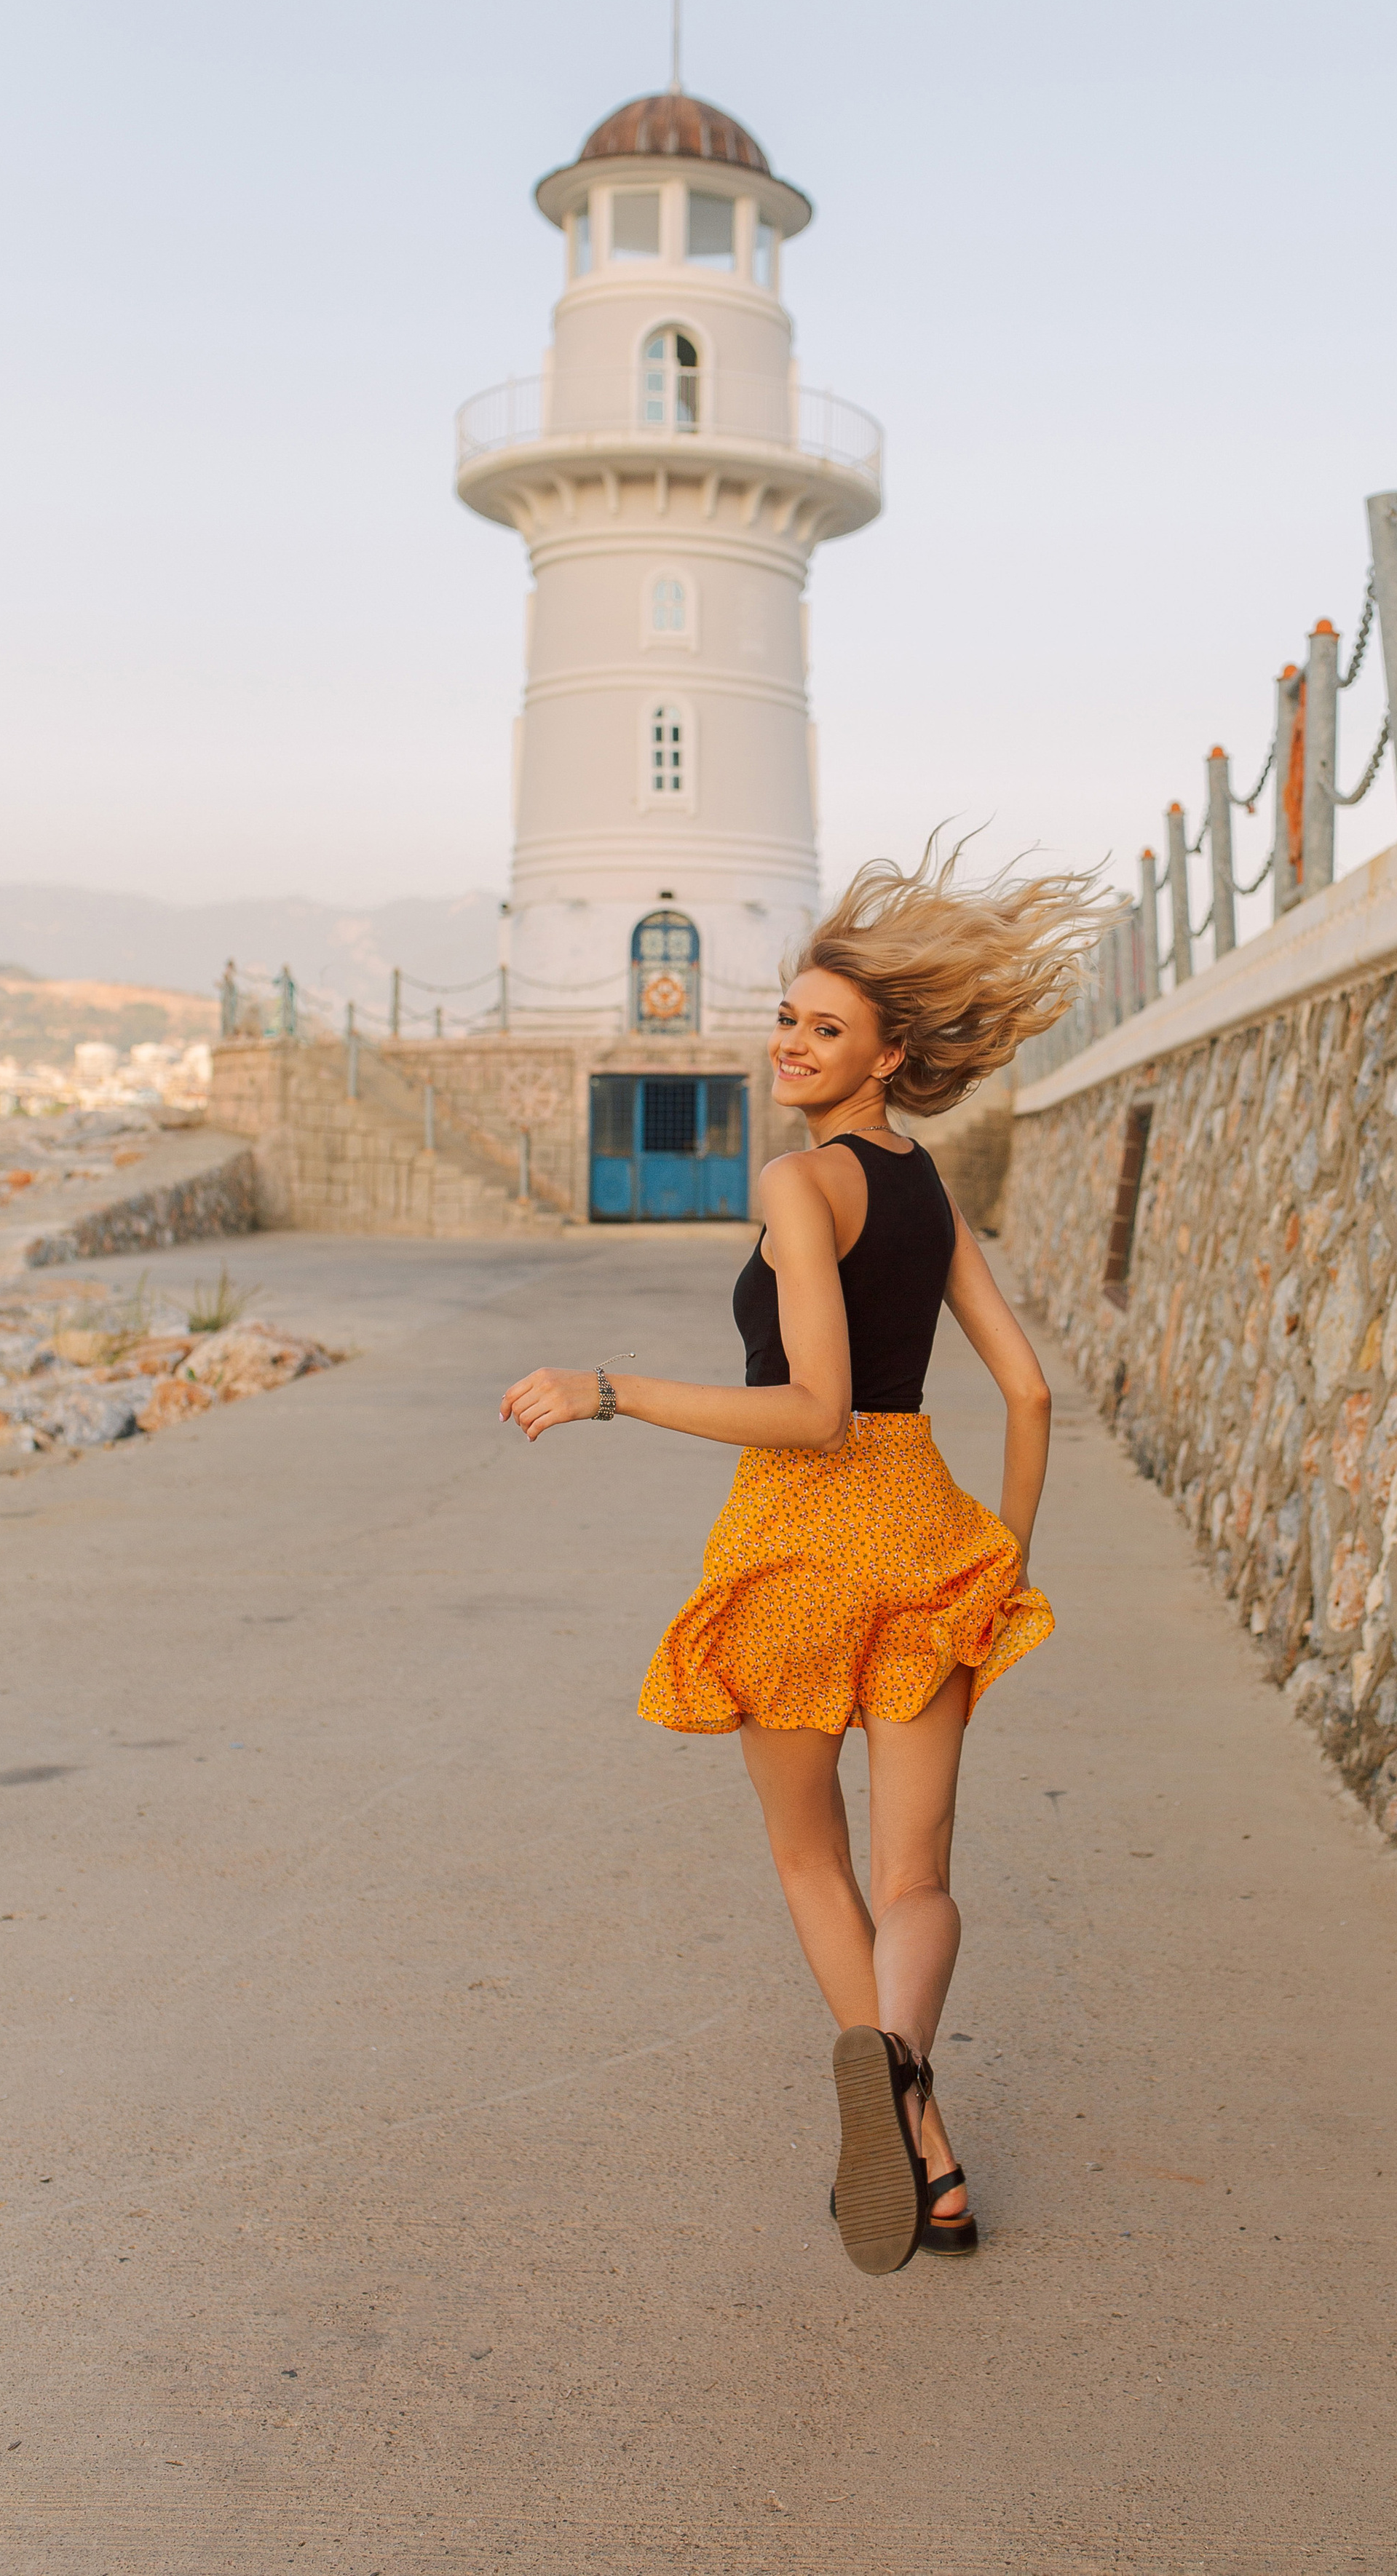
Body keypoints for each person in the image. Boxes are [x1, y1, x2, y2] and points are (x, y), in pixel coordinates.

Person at [499, 841, 1109, 2276]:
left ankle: (905, 2114)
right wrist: (1002, 1572)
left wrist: (608, 1389)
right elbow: (1027, 1394)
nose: (790, 1042)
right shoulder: (926, 1190)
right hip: (929, 1540)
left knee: (805, 1849)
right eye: (787, 1018)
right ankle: (917, 2124)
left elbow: (814, 1410)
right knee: (919, 1877)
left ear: (887, 1055)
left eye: (823, 1029)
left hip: (796, 1541)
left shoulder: (796, 1181)